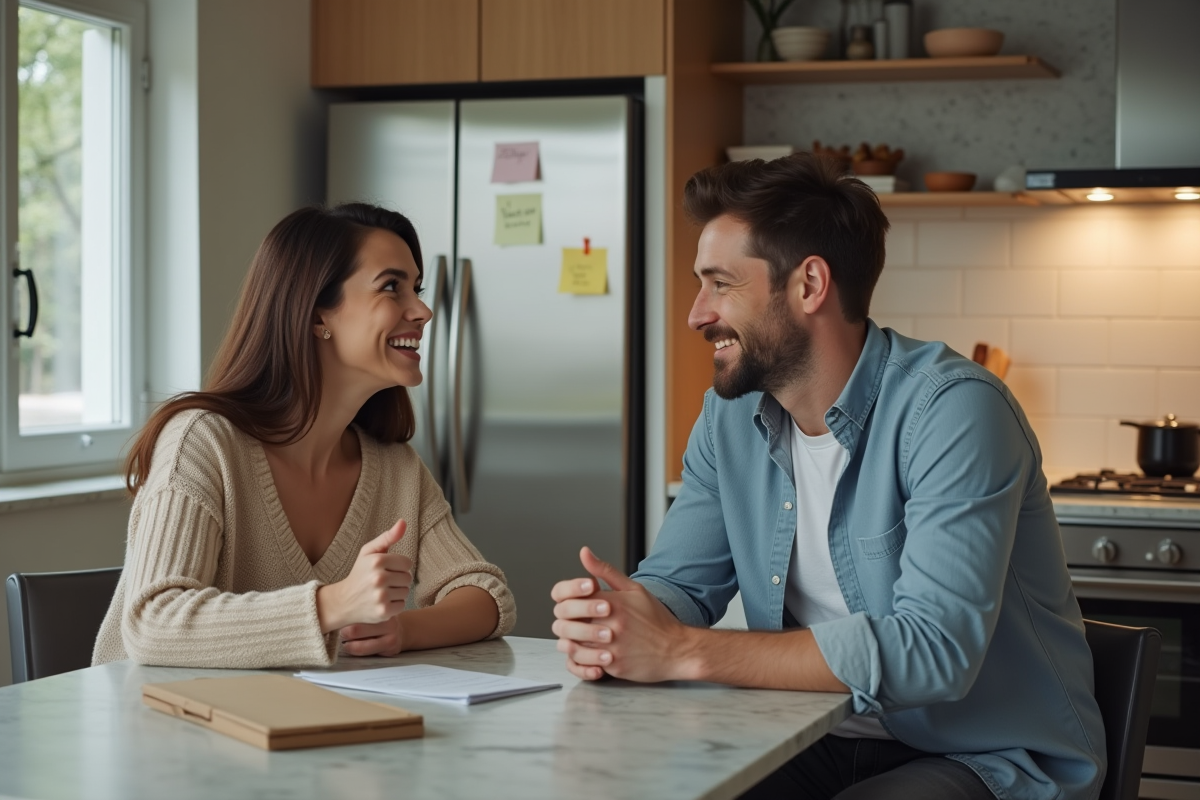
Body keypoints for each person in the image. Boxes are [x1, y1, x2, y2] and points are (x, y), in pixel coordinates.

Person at [551, 154, 1104, 800]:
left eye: (720, 284)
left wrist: (681, 651)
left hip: (987, 754)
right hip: (813, 735)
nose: (698, 313)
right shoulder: (728, 419)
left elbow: (933, 651)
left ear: (809, 285)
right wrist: (621, 620)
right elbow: (678, 582)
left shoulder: (955, 411)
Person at [94, 203, 515, 669]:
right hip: (155, 732)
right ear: (318, 316)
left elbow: (485, 595)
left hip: (292, 730)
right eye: (391, 288)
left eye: (415, 289)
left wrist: (400, 629)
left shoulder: (396, 469)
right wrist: (335, 604)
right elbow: (155, 623)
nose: (423, 310)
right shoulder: (202, 442)